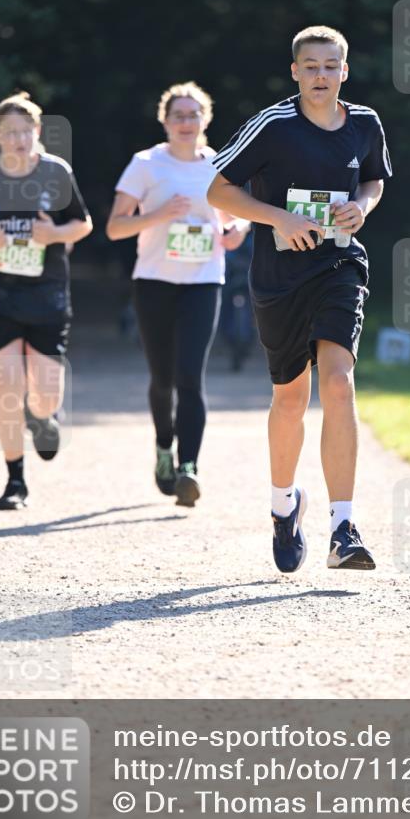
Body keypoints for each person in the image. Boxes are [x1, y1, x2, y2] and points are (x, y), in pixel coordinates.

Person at [207, 26, 392, 572]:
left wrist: (362, 207)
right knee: (290, 398)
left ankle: (343, 527)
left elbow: (375, 181)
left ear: (345, 71)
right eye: (310, 66)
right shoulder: (273, 124)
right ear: (295, 71)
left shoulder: (364, 123)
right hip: (279, 275)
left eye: (330, 66)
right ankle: (284, 505)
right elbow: (218, 189)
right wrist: (278, 218)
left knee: (338, 382)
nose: (321, 76)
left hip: (339, 265)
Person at [0, 91, 92, 510]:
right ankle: (15, 482)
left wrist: (55, 235)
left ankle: (41, 416)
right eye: (10, 133)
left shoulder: (56, 172)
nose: (19, 140)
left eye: (26, 131)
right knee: (6, 384)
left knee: (45, 395)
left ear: (38, 132)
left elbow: (82, 223)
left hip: (47, 294)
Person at [106, 82, 248, 507]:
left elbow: (238, 220)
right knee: (162, 378)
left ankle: (189, 467)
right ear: (165, 121)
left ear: (206, 119)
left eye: (193, 115)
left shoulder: (219, 164)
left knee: (190, 375)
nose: (186, 123)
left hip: (203, 282)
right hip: (153, 281)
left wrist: (235, 230)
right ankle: (164, 447)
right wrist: (158, 215)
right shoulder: (146, 164)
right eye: (178, 116)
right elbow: (115, 226)